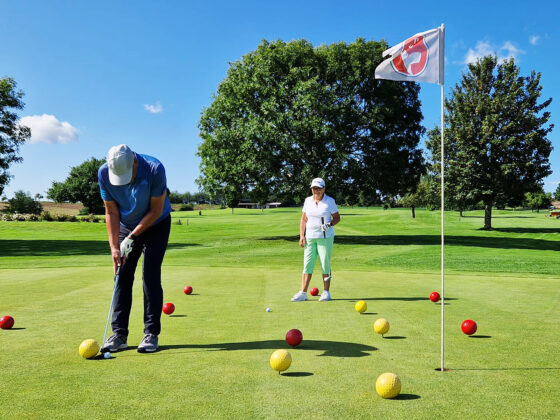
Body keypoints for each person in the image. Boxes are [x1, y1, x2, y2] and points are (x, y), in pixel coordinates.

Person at [97, 144, 172, 353]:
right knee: (121, 275)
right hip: (126, 225)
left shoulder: (155, 169)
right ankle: (119, 335)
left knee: (150, 275)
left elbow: (156, 210)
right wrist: (114, 247)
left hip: (156, 223)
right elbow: (111, 211)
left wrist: (132, 237)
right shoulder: (104, 173)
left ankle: (151, 334)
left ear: (135, 162)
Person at [291, 178, 340, 302]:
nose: (316, 191)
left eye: (318, 188)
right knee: (307, 265)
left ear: (324, 188)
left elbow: (337, 218)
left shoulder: (329, 201)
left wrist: (329, 225)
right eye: (314, 188)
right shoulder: (308, 201)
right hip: (310, 237)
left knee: (325, 264)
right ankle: (303, 292)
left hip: (325, 238)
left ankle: (326, 292)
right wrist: (302, 235)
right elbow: (303, 219)